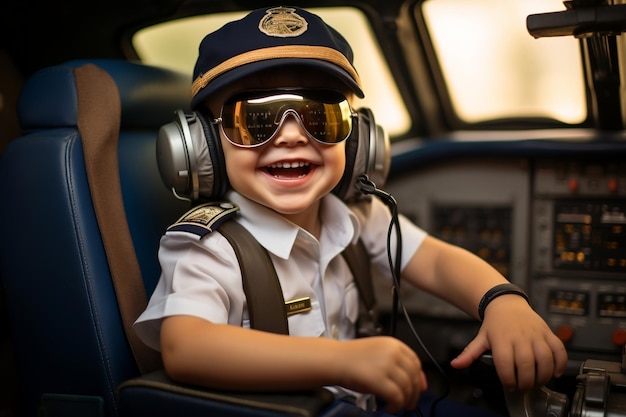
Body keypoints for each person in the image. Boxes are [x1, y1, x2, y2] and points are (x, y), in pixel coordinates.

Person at [134, 6, 567, 416]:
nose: (291, 136)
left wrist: (501, 301)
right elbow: (185, 348)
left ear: (357, 141)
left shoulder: (362, 216)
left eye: (320, 116)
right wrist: (341, 361)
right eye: (257, 119)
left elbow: (434, 261)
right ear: (203, 147)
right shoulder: (209, 249)